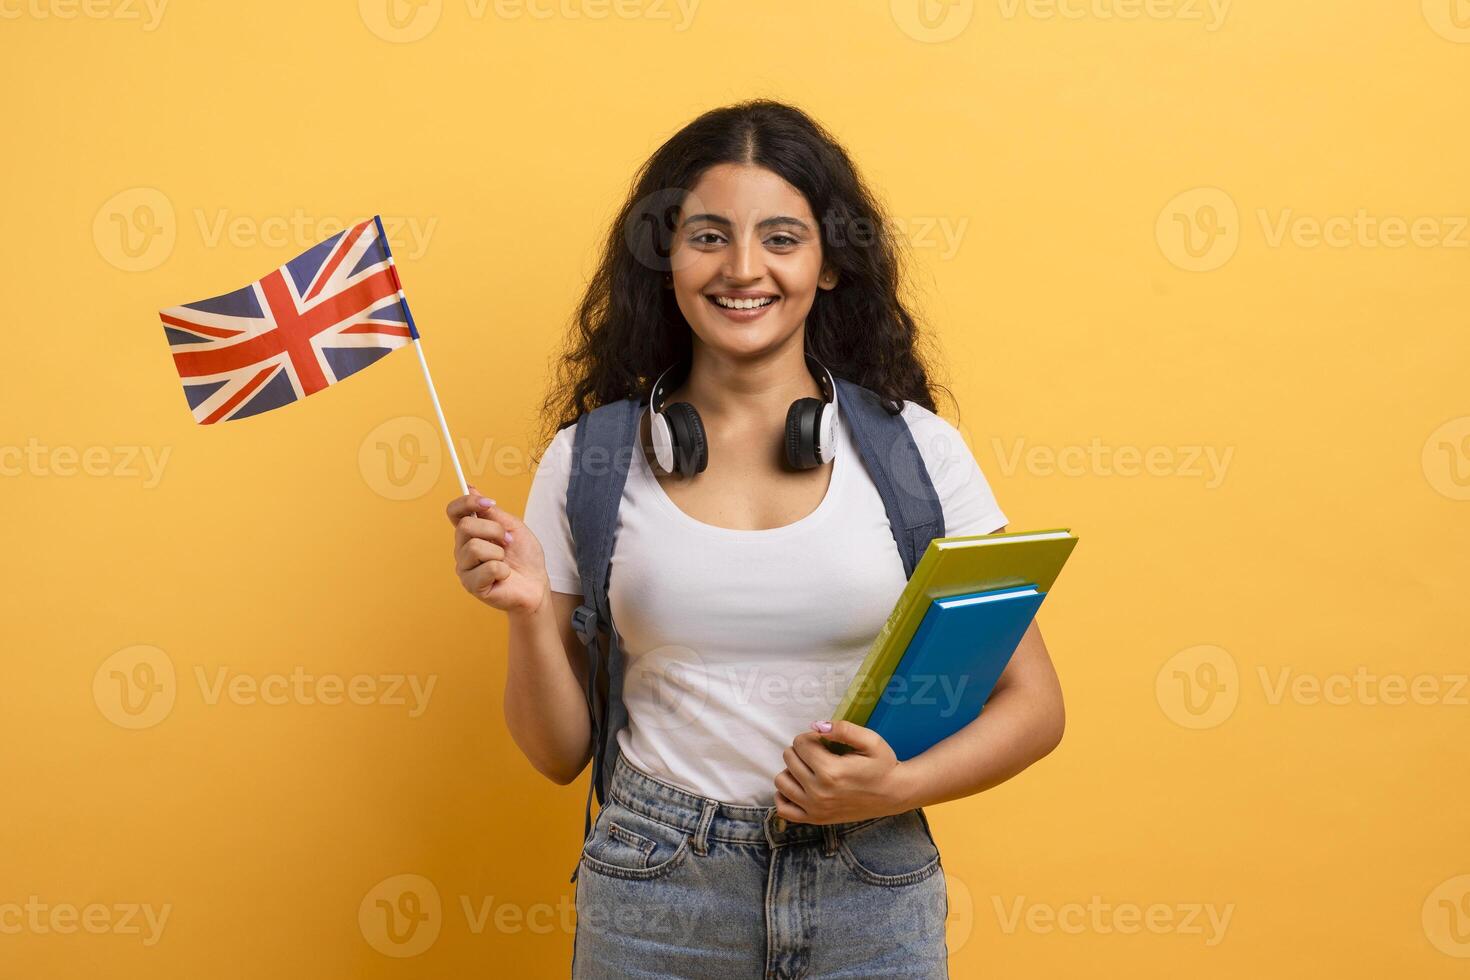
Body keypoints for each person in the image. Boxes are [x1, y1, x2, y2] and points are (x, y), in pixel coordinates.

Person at [444, 99, 1065, 979]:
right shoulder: (589, 459)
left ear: (830, 264)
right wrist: (521, 614)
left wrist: (895, 788)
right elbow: (557, 756)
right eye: (708, 237)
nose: (743, 269)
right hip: (656, 890)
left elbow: (1036, 706)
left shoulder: (917, 451)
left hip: (871, 883)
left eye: (781, 238)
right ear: (665, 259)